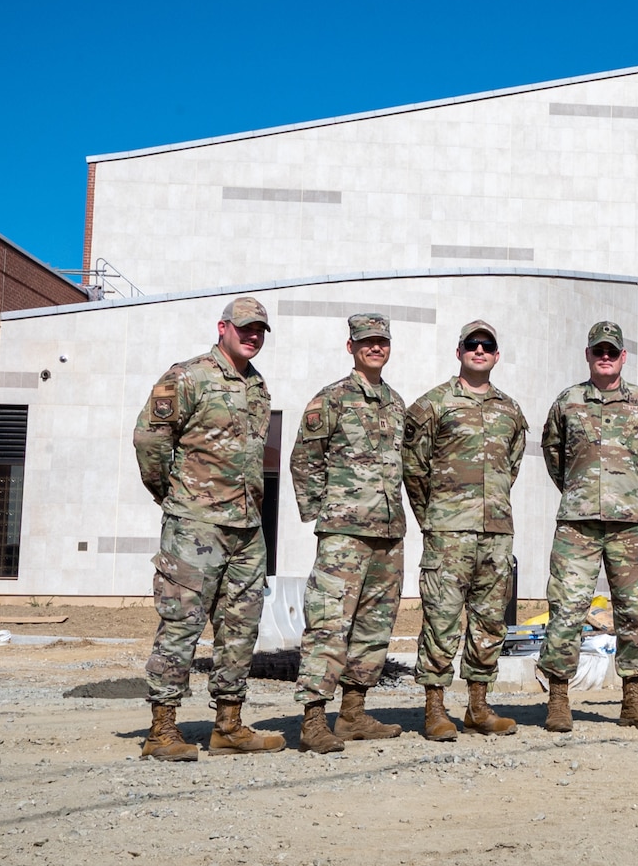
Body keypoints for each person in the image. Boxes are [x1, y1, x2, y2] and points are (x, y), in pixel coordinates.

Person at [131, 296, 285, 760]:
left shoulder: (257, 387)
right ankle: (161, 730)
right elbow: (150, 440)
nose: (252, 335)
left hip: (246, 527)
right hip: (195, 525)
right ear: (223, 328)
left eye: (259, 330)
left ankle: (229, 725)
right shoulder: (188, 376)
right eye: (244, 328)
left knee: (240, 627)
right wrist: (175, 496)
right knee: (181, 625)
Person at [536, 321, 638, 733]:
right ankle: (558, 698)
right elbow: (553, 452)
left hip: (630, 524)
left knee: (633, 611)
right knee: (567, 609)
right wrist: (579, 490)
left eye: (613, 351)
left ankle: (633, 699)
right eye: (598, 351)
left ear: (623, 357)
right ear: (588, 356)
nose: (605, 357)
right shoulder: (568, 401)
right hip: (578, 525)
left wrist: (626, 493)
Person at [288, 312, 408, 750]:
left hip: (389, 533)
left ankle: (353, 713)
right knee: (328, 624)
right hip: (344, 534)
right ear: (351, 347)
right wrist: (326, 512)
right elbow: (304, 458)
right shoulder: (332, 398)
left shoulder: (396, 403)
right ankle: (314, 718)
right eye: (366, 342)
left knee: (375, 627)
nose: (375, 347)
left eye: (381, 341)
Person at [403, 319, 527, 736]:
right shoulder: (432, 405)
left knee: (490, 622)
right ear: (459, 352)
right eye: (471, 345)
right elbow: (414, 469)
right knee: (441, 621)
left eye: (487, 345)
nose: (479, 350)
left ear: (496, 355)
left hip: (496, 533)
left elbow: (512, 465)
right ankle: (435, 710)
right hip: (448, 534)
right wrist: (435, 517)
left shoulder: (510, 409)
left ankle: (478, 707)